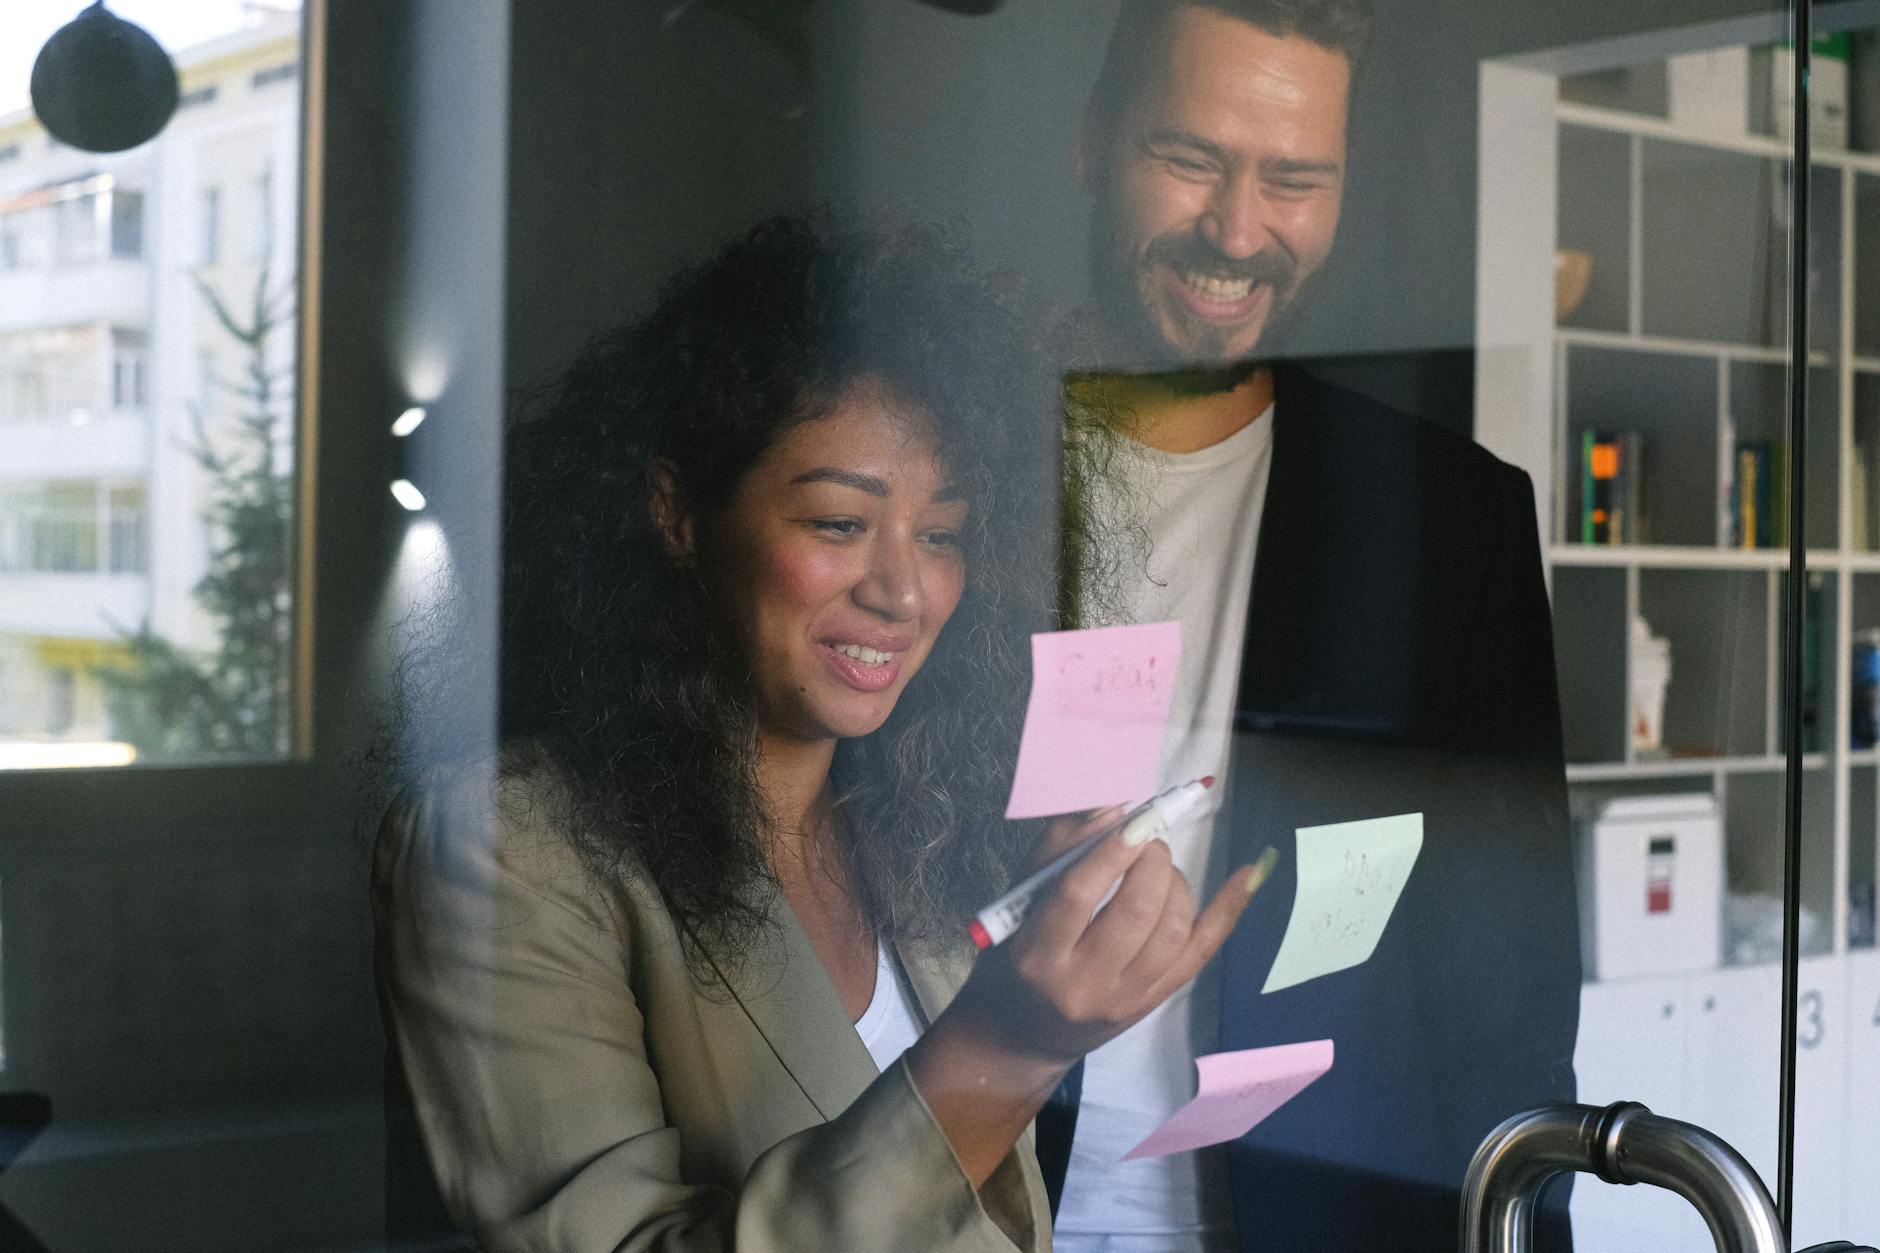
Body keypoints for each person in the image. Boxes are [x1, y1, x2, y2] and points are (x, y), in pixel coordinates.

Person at [371, 214, 1265, 1252]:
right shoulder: (500, 848)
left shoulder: (914, 827)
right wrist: (1005, 1046)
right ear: (678, 512)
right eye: (839, 523)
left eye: (941, 536)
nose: (903, 590)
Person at [1042, 4, 1582, 1251]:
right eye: (1189, 159)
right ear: (1091, 143)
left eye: (1292, 178)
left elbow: (1501, 1000)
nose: (1236, 233)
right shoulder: (928, 475)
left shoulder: (1450, 524)